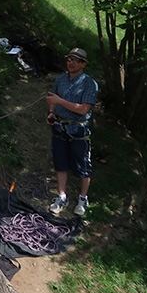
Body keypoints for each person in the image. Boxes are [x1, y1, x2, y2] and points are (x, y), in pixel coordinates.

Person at [45, 47, 99, 217]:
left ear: (83, 64)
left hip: (79, 129)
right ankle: (62, 196)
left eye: (75, 60)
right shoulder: (60, 80)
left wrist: (60, 100)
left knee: (82, 165)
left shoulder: (90, 84)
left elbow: (83, 109)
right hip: (60, 126)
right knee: (60, 162)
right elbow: (53, 99)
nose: (71, 62)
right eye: (69, 59)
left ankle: (83, 198)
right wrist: (52, 112)